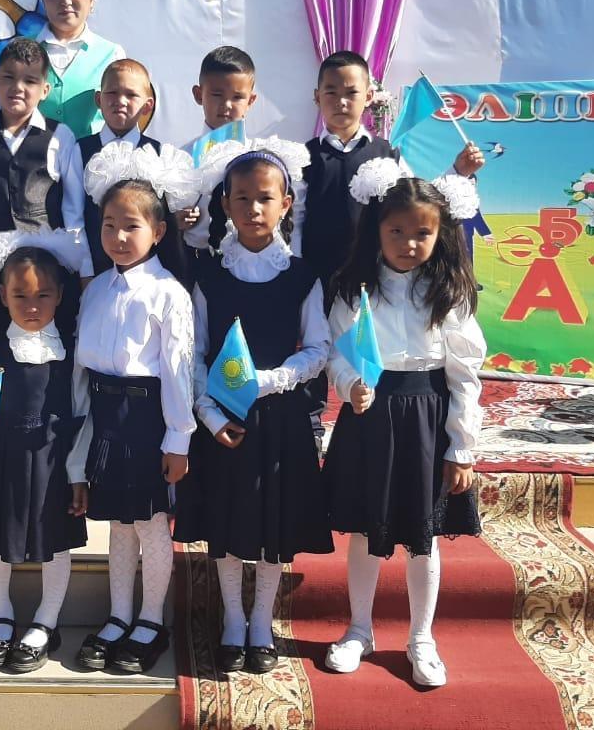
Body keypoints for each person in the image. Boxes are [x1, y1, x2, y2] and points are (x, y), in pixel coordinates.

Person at [322, 164, 487, 689]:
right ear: (376, 228)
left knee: (423, 535)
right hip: (370, 414)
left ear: (440, 234)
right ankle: (359, 628)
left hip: (426, 417)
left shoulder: (448, 292)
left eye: (422, 232)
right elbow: (338, 352)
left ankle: (421, 637)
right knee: (366, 530)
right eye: (396, 230)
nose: (408, 243)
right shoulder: (353, 288)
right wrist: (350, 383)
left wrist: (461, 447)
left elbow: (465, 372)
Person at [174, 145, 333, 674]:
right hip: (224, 421)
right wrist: (211, 415)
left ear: (286, 204)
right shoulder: (210, 275)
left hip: (279, 418)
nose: (253, 209)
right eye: (241, 198)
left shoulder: (302, 275)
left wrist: (270, 381)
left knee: (272, 525)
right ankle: (232, 620)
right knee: (225, 521)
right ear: (225, 203)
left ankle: (261, 622)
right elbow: (194, 353)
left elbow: (318, 349)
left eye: (265, 198)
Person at [297, 51, 483, 443]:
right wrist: (296, 269)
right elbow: (295, 218)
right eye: (331, 92)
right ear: (317, 97)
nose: (341, 101)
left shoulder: (386, 154)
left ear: (369, 97)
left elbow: (419, 203)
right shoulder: (304, 158)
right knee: (318, 343)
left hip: (368, 273)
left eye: (351, 92)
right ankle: (311, 419)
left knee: (364, 344)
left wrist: (457, 173)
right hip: (316, 270)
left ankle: (380, 411)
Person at [68, 147, 197, 674]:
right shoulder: (96, 289)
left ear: (158, 232)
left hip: (147, 421)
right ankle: (119, 615)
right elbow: (82, 371)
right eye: (109, 225)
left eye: (132, 226)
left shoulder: (169, 294)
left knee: (149, 523)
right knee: (118, 525)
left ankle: (150, 619)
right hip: (105, 417)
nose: (119, 236)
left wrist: (178, 439)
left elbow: (178, 370)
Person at [0, 232, 88, 674]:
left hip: (52, 463)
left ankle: (45, 621)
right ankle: (1, 616)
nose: (31, 306)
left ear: (59, 297)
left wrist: (78, 473)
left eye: (42, 296)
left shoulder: (69, 353)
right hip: (1, 460)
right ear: (3, 296)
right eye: (20, 296)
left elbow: (81, 413)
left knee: (54, 542)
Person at [0, 37, 85, 335]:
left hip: (48, 271)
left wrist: (83, 269)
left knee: (55, 344)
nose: (18, 87)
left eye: (30, 81)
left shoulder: (61, 137)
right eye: (8, 77)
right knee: (2, 343)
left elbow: (73, 210)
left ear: (45, 90)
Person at [72, 58, 189, 284]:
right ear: (99, 99)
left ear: (148, 105)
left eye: (131, 95)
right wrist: (85, 271)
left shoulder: (161, 154)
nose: (120, 101)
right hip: (96, 269)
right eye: (112, 93)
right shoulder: (80, 150)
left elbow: (168, 219)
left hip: (150, 276)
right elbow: (73, 216)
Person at [175, 47, 262, 259]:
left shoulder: (260, 158)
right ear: (198, 95)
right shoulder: (181, 157)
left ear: (251, 101)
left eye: (237, 97)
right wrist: (175, 219)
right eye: (216, 95)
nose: (226, 105)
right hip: (195, 260)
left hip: (249, 259)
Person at [33, 0, 125, 139]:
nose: (65, 0)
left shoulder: (112, 54)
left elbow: (124, 123)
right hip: (34, 158)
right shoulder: (21, 53)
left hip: (94, 157)